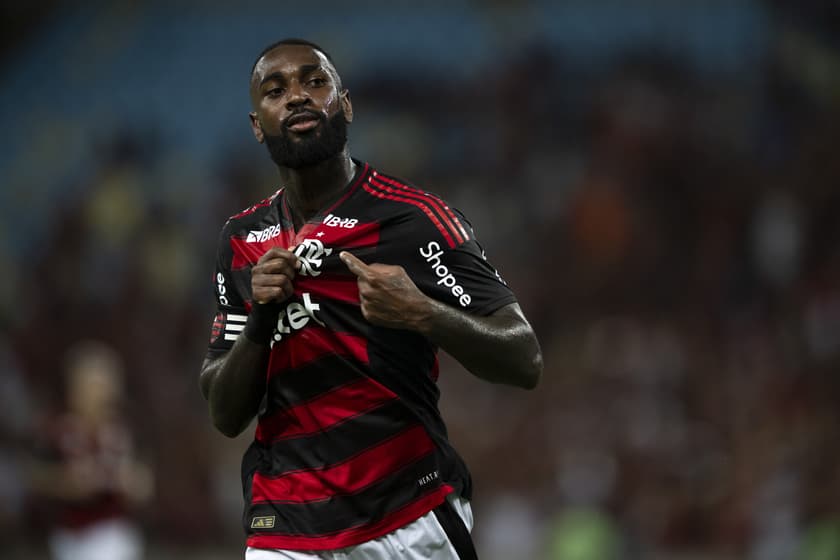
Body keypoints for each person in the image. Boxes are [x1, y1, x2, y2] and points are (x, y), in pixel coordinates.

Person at [199, 38, 543, 560]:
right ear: (256, 124)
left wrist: (422, 313)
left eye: (315, 82)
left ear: (347, 105)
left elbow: (524, 357)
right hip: (284, 524)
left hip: (405, 514)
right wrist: (260, 321)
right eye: (276, 90)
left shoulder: (411, 217)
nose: (296, 97)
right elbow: (225, 413)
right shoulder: (241, 239)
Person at [28, 340, 154, 560]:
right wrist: (65, 483)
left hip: (113, 532)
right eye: (92, 384)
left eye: (105, 384)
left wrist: (129, 482)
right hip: (68, 535)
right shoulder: (57, 430)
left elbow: (145, 483)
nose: (100, 392)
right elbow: (36, 475)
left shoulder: (125, 429)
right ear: (74, 386)